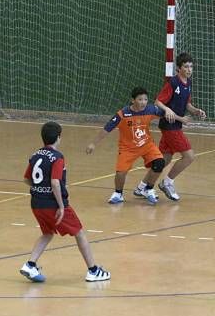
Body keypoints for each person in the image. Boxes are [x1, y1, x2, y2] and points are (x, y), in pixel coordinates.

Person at [20, 121, 110, 283]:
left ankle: (30, 265)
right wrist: (61, 206)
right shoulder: (58, 157)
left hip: (36, 203)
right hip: (53, 204)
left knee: (47, 233)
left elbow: (27, 179)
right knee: (79, 232)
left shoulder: (35, 154)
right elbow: (55, 182)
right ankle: (93, 270)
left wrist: (40, 188)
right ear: (59, 137)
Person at [86, 86, 188, 205]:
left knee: (159, 163)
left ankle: (148, 189)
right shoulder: (123, 114)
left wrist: (181, 119)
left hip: (147, 145)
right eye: (140, 99)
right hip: (128, 148)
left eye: (145, 99)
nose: (143, 102)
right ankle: (118, 194)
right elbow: (107, 128)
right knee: (120, 172)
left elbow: (166, 114)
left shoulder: (151, 109)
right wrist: (93, 143)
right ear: (133, 100)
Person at [133, 52, 206, 201]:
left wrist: (196, 111)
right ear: (179, 68)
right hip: (170, 126)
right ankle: (167, 182)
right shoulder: (173, 83)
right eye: (186, 66)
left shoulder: (188, 84)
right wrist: (169, 111)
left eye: (191, 66)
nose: (189, 69)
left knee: (163, 160)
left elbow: (187, 104)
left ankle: (142, 187)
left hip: (174, 125)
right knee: (189, 157)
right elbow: (158, 102)